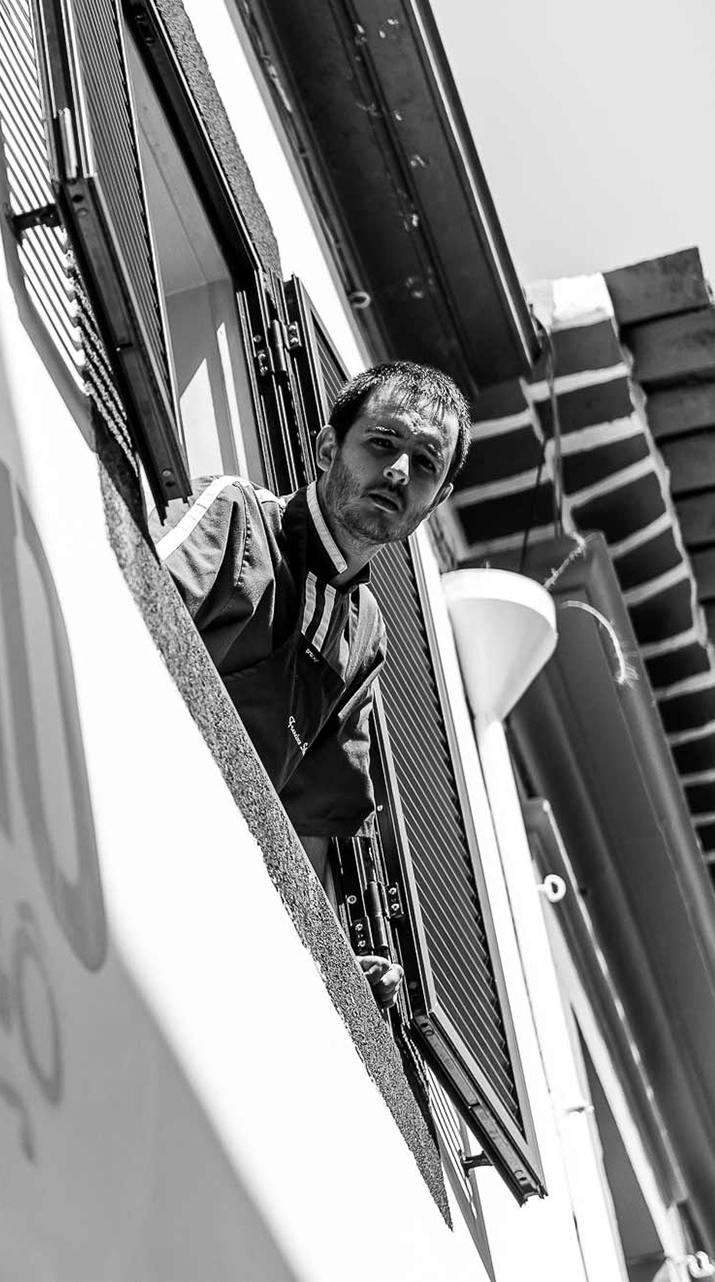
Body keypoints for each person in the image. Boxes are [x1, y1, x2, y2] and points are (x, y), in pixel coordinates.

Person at [157, 361, 471, 1005]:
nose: (399, 471)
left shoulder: (366, 634)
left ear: (434, 502)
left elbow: (307, 825)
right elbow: (131, 602)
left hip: (198, 909)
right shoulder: (238, 512)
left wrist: (329, 963)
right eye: (382, 442)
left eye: (424, 464)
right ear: (328, 448)